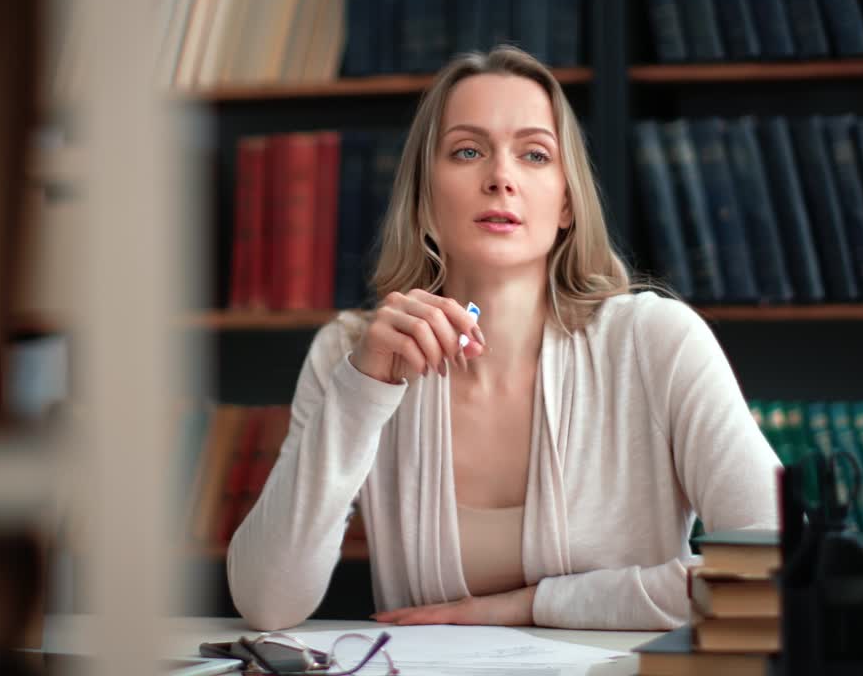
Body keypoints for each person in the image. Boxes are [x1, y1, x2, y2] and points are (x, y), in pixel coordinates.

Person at [227, 45, 779, 632]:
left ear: (567, 202)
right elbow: (268, 602)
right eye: (468, 151)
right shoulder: (350, 355)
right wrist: (361, 391)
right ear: (424, 200)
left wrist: (531, 605)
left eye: (535, 154)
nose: (500, 178)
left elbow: (778, 569)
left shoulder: (655, 343)